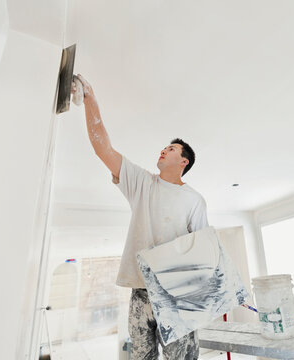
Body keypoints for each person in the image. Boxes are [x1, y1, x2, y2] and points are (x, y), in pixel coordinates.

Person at [73, 74, 208, 359]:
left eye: (171, 149)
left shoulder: (194, 200)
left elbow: (200, 254)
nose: (164, 149)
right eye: (164, 147)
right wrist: (90, 101)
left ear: (183, 162)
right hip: (140, 292)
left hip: (174, 297)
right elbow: (103, 149)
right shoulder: (143, 183)